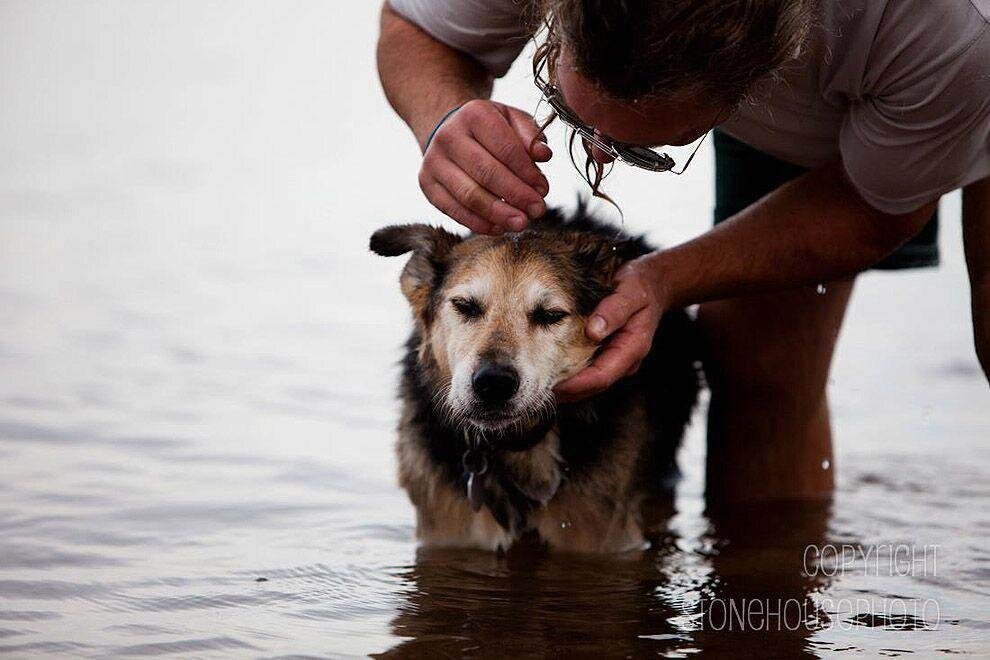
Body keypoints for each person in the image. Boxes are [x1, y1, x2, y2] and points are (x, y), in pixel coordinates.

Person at [376, 0, 990, 502]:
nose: (594, 160)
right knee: (754, 364)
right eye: (563, 106)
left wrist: (665, 280)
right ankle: (756, 621)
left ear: (763, 78)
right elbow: (417, 25)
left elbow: (878, 207)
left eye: (647, 151)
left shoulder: (946, 29)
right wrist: (443, 116)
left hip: (942, 67)